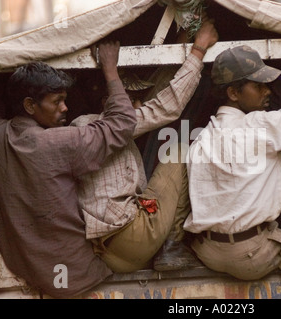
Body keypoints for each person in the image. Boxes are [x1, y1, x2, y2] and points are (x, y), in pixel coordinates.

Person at [0, 41, 137, 298]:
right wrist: (110, 69)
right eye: (57, 102)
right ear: (29, 106)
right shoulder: (59, 142)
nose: (65, 108)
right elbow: (123, 123)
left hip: (25, 266)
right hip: (76, 273)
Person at [70, 19, 218, 273]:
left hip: (109, 252)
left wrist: (181, 42)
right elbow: (166, 106)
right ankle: (172, 246)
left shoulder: (99, 129)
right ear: (107, 101)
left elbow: (156, 97)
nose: (138, 103)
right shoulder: (97, 127)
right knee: (180, 151)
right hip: (132, 238)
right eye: (130, 98)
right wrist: (199, 50)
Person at [183, 40, 281, 280]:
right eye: (259, 86)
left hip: (208, 252)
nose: (268, 91)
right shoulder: (259, 126)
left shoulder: (203, 137)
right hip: (252, 256)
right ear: (233, 93)